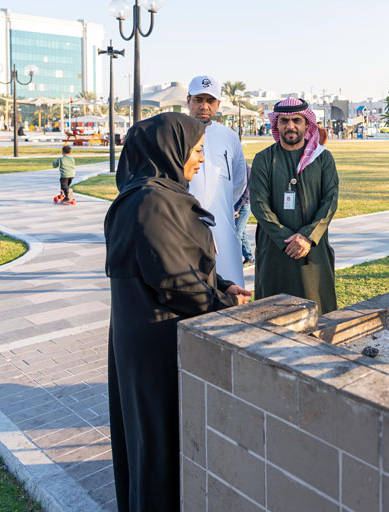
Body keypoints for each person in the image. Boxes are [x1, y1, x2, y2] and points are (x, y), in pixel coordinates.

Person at [105, 112, 250, 512]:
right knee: (158, 438)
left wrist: (221, 284)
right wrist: (225, 305)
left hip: (152, 332)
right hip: (156, 341)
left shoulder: (156, 194)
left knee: (158, 435)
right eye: (197, 150)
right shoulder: (150, 201)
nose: (201, 160)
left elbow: (178, 261)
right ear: (170, 149)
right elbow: (177, 283)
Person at [250, 98, 338, 314]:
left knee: (317, 311)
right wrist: (286, 240)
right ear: (276, 125)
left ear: (308, 124)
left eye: (296, 120)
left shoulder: (323, 158)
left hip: (312, 250)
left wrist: (307, 237)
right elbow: (259, 205)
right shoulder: (264, 159)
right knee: (272, 313)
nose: (290, 126)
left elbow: (330, 201)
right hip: (275, 249)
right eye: (284, 121)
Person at [186, 75, 248, 287]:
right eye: (198, 99)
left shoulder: (229, 136)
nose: (204, 106)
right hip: (184, 225)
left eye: (210, 101)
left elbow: (239, 181)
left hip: (223, 225)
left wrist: (222, 207)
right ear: (188, 100)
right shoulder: (176, 132)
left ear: (218, 104)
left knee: (231, 289)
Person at [234, 168, 255, 266]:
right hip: (236, 204)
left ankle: (235, 260)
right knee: (241, 232)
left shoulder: (245, 169)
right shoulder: (234, 168)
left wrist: (237, 209)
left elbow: (247, 192)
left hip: (244, 206)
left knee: (237, 233)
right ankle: (249, 258)